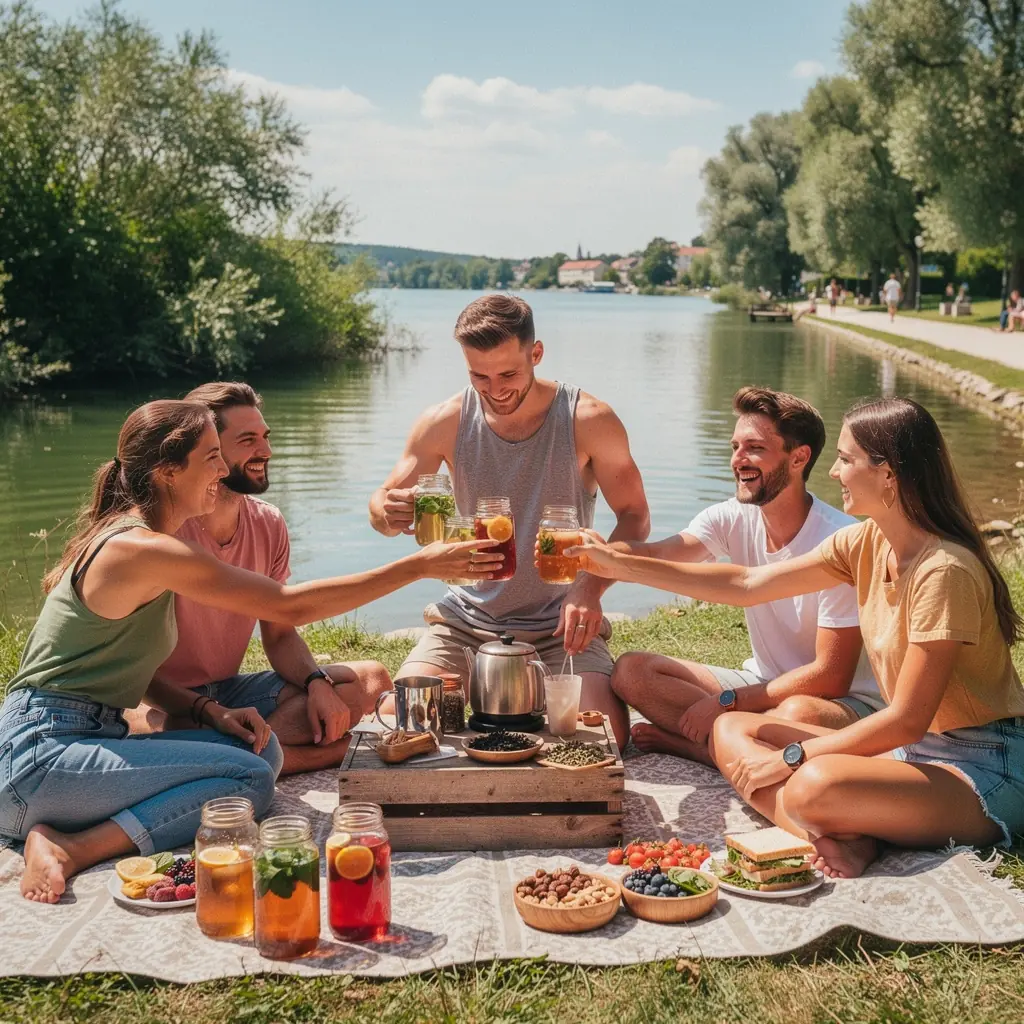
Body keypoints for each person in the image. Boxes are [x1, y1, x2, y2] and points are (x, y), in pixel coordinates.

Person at [0, 400, 500, 902]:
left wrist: (206, 710)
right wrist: (417, 566)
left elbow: (130, 666)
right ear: (168, 471)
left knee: (261, 753)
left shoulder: (146, 541)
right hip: (39, 757)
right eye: (210, 456)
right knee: (249, 782)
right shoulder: (142, 549)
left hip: (74, 741)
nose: (222, 469)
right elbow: (288, 605)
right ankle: (73, 845)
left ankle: (74, 827)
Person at [569, 398, 1024, 879]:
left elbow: (907, 721)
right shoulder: (866, 542)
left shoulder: (944, 571)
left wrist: (793, 757)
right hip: (909, 755)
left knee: (813, 784)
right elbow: (746, 584)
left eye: (846, 460)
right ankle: (840, 835)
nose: (834, 473)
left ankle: (839, 821)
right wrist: (620, 565)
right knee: (731, 729)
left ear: (887, 474)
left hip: (980, 764)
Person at [370, 294, 651, 748]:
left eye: (508, 374)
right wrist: (387, 511)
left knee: (604, 739)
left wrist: (592, 585)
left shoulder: (589, 419)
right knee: (400, 722)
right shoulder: (443, 421)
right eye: (479, 375)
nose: (494, 388)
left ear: (535, 354)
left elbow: (635, 518)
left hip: (562, 624)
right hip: (466, 621)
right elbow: (382, 504)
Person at [610, 387, 879, 766]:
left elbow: (831, 677)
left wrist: (726, 702)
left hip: (838, 704)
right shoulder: (731, 516)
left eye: (754, 448)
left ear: (799, 457)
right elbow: (656, 555)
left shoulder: (841, 541)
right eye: (735, 446)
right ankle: (741, 746)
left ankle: (703, 747)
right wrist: (599, 555)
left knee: (795, 716)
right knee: (632, 672)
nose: (738, 460)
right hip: (761, 688)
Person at [133, 382, 391, 775]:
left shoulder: (268, 523)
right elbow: (137, 670)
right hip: (163, 704)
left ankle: (226, 756)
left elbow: (281, 634)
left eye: (265, 437)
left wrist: (317, 682)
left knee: (369, 679)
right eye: (249, 440)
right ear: (209, 451)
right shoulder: (160, 530)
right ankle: (300, 755)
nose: (266, 451)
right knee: (154, 725)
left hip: (231, 692)